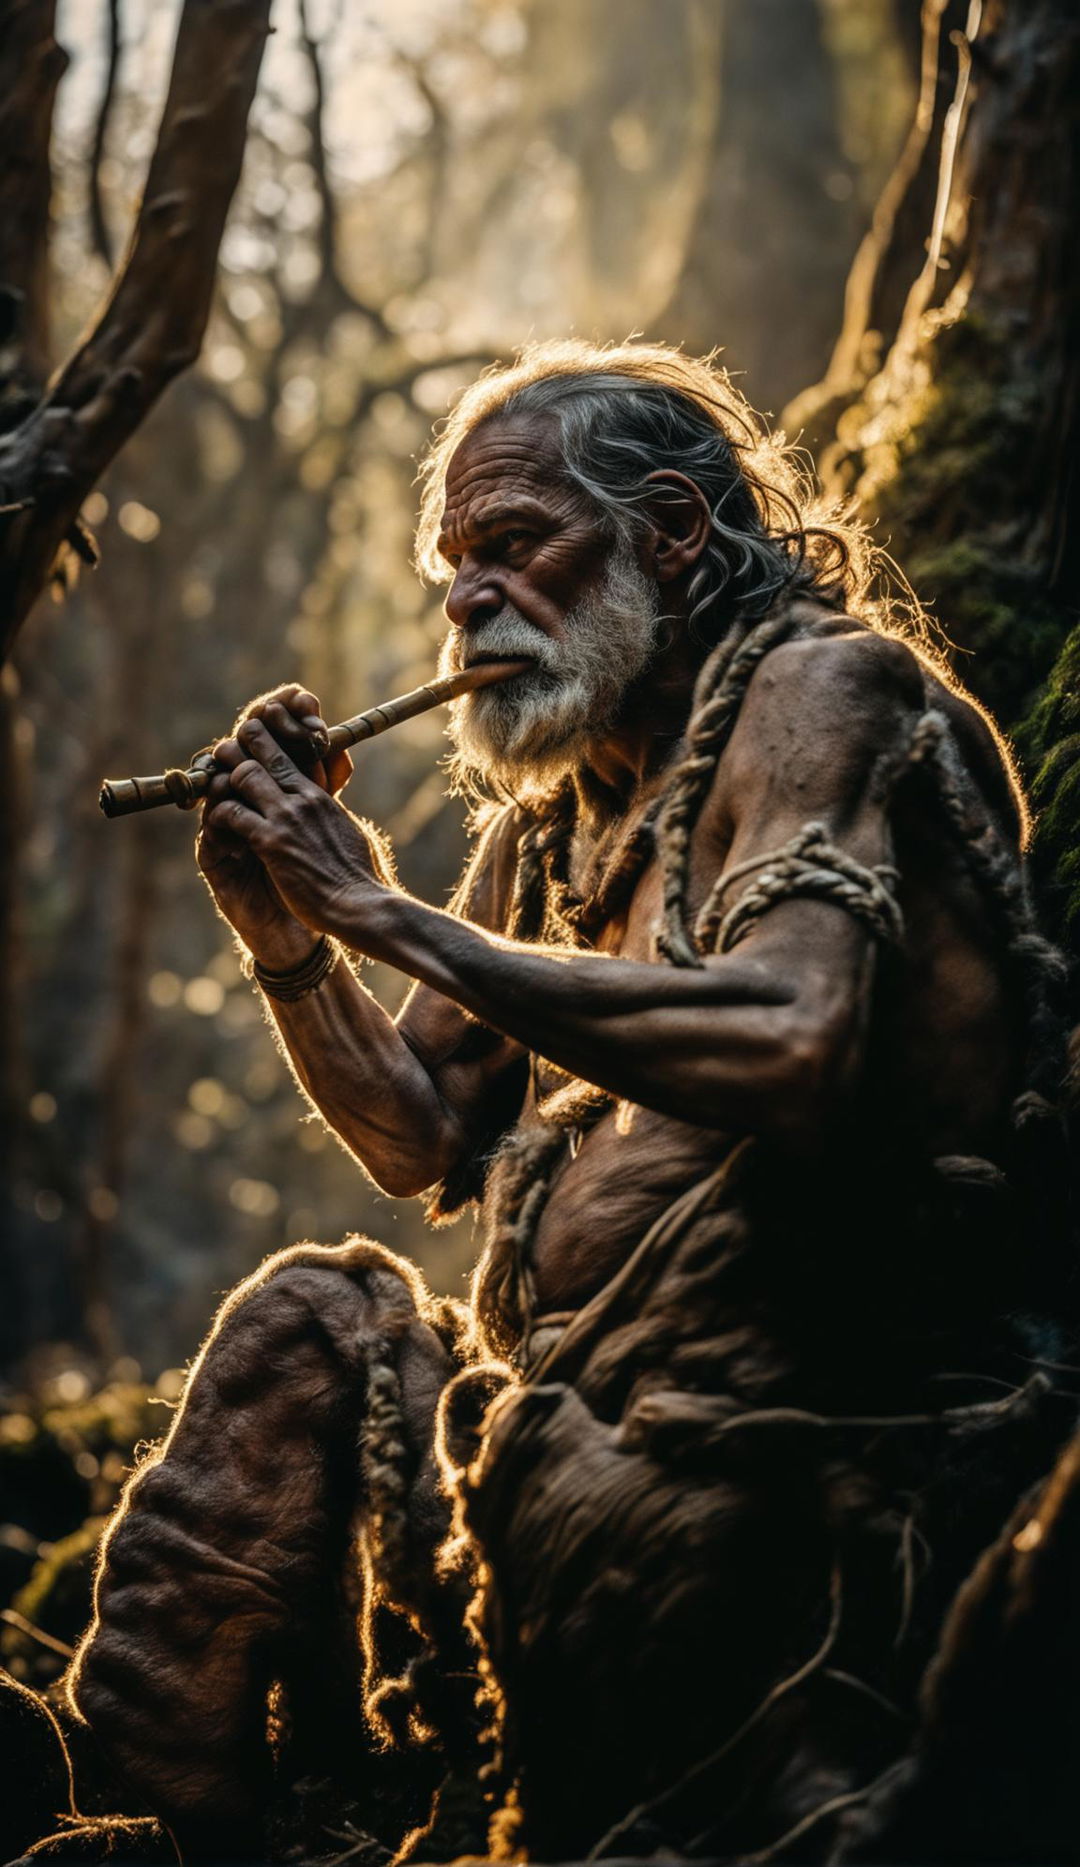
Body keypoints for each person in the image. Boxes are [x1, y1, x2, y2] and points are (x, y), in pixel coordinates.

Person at [62, 342, 1074, 1863]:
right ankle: (204, 1830)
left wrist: (383, 913)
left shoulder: (820, 695)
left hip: (805, 1455)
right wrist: (290, 937)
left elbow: (794, 1043)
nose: (470, 600)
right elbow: (417, 1140)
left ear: (670, 529)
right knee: (299, 1335)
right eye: (453, 568)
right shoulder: (556, 831)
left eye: (516, 545)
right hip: (547, 1445)